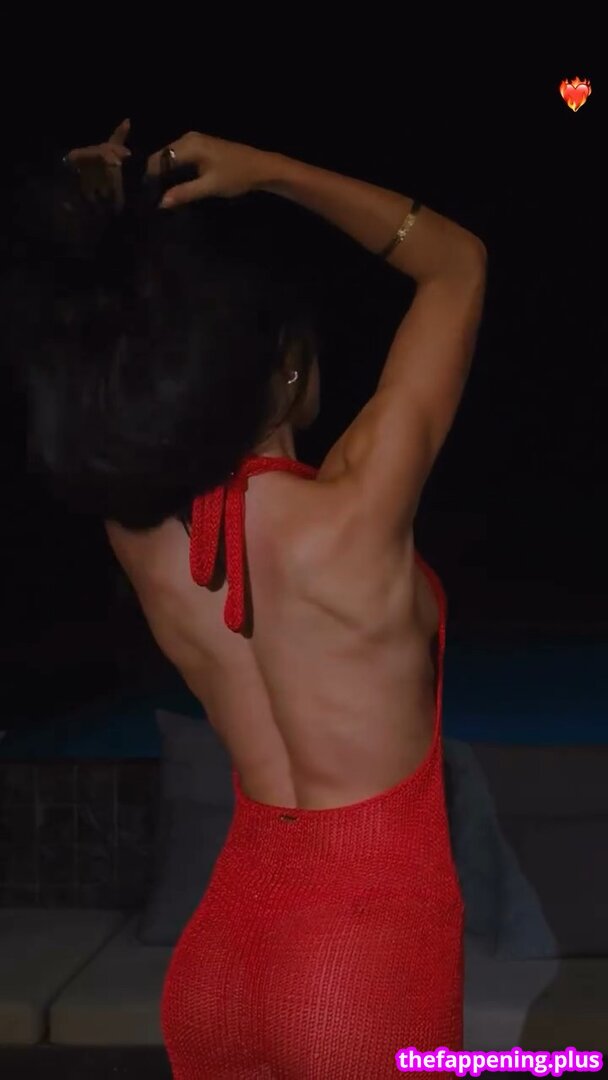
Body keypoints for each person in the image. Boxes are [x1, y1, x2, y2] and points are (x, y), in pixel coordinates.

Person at [19, 122, 486, 1078]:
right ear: (288, 364)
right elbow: (456, 264)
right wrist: (269, 173)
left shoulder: (138, 532)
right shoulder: (354, 510)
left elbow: (95, 351)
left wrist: (95, 210)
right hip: (363, 958)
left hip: (223, 956)